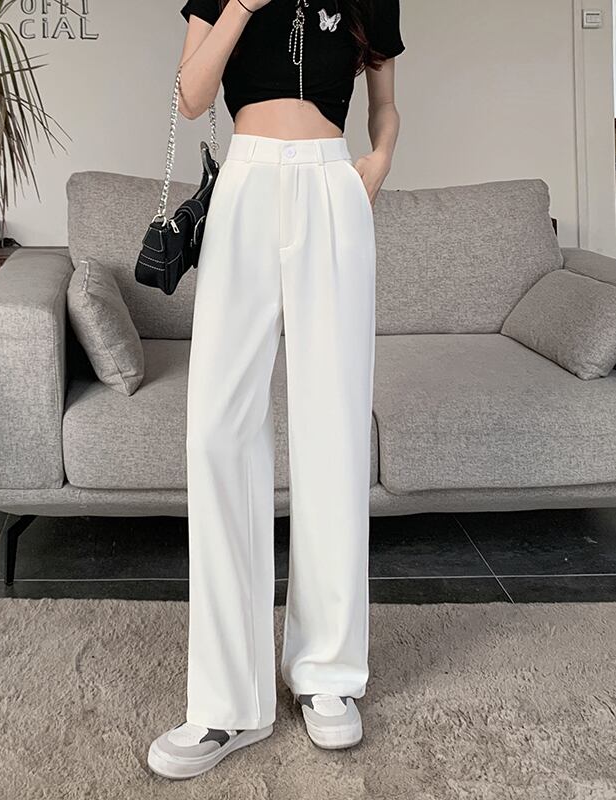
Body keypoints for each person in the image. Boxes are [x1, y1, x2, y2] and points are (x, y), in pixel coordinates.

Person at [147, 0, 405, 780]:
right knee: (218, 432)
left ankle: (327, 675)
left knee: (334, 429)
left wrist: (379, 159)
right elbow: (190, 95)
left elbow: (385, 103)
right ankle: (227, 702)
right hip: (246, 186)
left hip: (333, 187)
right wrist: (237, 7)